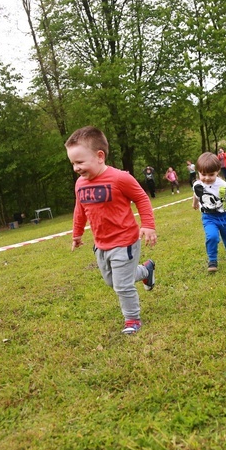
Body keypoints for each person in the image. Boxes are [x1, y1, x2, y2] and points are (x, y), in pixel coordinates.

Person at [65, 126, 157, 335]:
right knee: (111, 281)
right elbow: (80, 209)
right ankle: (146, 271)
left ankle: (132, 319)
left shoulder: (120, 178)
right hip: (101, 244)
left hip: (125, 241)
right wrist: (77, 234)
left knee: (122, 286)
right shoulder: (80, 184)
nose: (76, 168)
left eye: (80, 162)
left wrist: (148, 225)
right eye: (73, 163)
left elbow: (141, 198)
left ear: (99, 156)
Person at [192, 152, 226, 273]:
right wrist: (195, 203)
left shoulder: (222, 186)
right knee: (212, 236)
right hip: (209, 217)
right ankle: (212, 260)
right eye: (203, 174)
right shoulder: (197, 184)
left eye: (211, 175)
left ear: (218, 171)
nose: (207, 178)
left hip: (225, 216)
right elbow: (196, 193)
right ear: (198, 172)